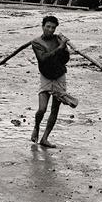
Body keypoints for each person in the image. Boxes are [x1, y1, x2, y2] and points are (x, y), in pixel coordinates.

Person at [31, 15, 78, 148]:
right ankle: (36, 127)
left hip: (59, 76)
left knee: (54, 109)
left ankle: (45, 138)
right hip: (46, 76)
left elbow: (65, 59)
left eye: (53, 27)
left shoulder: (58, 39)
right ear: (43, 26)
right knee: (42, 109)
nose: (50, 30)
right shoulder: (36, 42)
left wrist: (63, 47)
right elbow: (43, 59)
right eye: (48, 27)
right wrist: (60, 47)